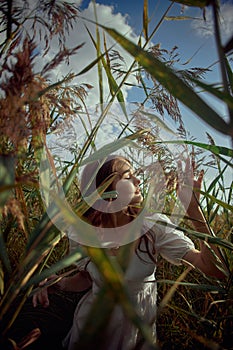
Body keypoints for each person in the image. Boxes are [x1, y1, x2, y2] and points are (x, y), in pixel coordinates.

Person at [25, 155, 228, 349]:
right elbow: (87, 279)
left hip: (138, 334)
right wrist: (57, 283)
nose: (139, 180)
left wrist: (193, 209)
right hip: (91, 329)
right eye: (128, 177)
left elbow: (213, 268)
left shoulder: (153, 226)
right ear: (105, 190)